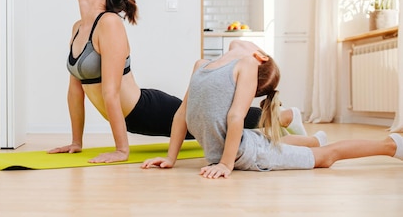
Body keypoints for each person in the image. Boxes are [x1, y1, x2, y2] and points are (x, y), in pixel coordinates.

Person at [48, 0, 305, 163]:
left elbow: (110, 92)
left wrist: (121, 150)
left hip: (146, 111)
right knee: (215, 119)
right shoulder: (78, 28)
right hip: (137, 113)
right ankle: (281, 118)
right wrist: (76, 142)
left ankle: (285, 117)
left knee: (215, 121)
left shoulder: (109, 23)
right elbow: (75, 91)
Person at [141, 39, 403, 177]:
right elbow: (180, 115)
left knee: (326, 157)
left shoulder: (245, 64)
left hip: (246, 152)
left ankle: (391, 145)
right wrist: (170, 159)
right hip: (241, 142)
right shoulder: (201, 65)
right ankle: (313, 139)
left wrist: (225, 165)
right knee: (266, 138)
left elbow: (235, 116)